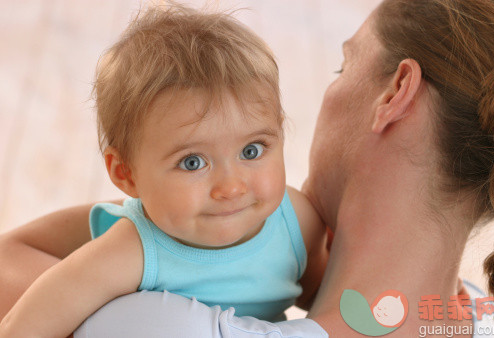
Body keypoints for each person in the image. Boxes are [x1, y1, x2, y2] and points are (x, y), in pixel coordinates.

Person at [0, 0, 494, 336]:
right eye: (193, 160)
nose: (232, 185)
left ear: (396, 94)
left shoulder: (156, 323)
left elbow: (12, 259)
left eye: (343, 66)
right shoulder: (483, 317)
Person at [0, 4, 329, 337]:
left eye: (251, 151)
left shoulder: (297, 220)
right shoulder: (131, 252)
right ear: (126, 174)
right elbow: (24, 326)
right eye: (192, 162)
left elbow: (323, 298)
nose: (231, 187)